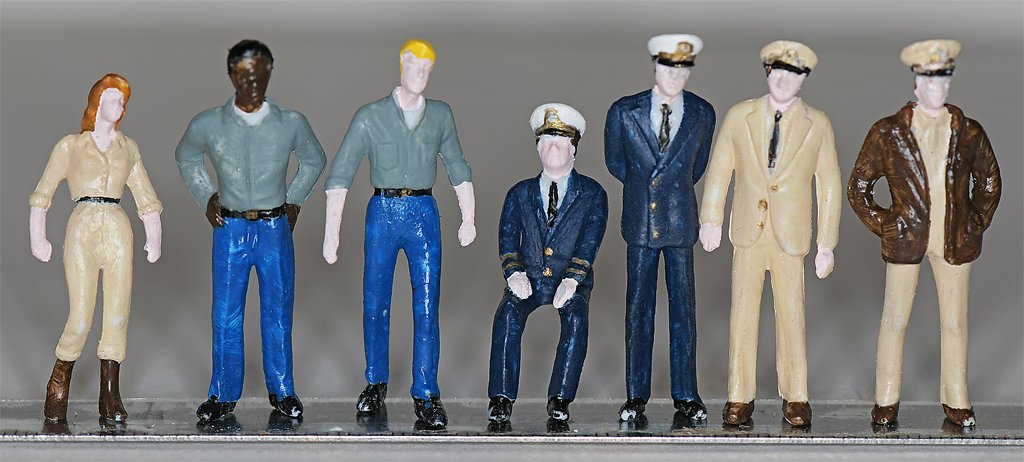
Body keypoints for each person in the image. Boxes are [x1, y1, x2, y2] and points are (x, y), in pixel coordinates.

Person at [323, 38, 476, 430]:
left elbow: (457, 165)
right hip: (383, 212)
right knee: (375, 301)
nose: (419, 75)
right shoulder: (370, 116)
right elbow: (342, 171)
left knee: (426, 304)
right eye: (413, 66)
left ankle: (426, 391)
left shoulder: (440, 115)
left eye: (426, 69)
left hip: (423, 213)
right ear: (401, 65)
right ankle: (375, 381)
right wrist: (331, 232)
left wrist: (468, 217)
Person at [847, 39, 1001, 428]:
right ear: (916, 82)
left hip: (954, 239)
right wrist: (886, 224)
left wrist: (975, 221)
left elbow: (988, 180)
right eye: (930, 81)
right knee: (895, 318)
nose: (937, 88)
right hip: (907, 238)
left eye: (943, 80)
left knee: (955, 323)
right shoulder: (888, 132)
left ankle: (956, 398)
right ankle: (886, 399)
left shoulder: (969, 132)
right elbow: (859, 187)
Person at [175, 39, 326, 422]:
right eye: (244, 74)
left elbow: (314, 160)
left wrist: (294, 200)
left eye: (259, 72)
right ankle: (223, 392)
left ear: (270, 71)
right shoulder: (208, 124)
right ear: (231, 75)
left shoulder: (291, 123)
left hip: (274, 228)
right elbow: (186, 156)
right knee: (226, 313)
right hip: (231, 227)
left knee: (278, 310)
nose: (252, 82)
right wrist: (206, 196)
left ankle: (283, 389)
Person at [699, 41, 842, 427]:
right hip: (748, 232)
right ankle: (738, 395)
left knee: (792, 316)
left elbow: (829, 184)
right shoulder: (739, 116)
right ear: (767, 72)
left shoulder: (818, 124)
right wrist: (711, 218)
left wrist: (826, 243)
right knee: (742, 316)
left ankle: (796, 396)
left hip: (791, 236)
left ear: (803, 79)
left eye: (793, 75)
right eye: (778, 72)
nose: (784, 80)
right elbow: (720, 168)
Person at [31, 73, 163, 423]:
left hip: (117, 228)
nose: (118, 107)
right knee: (80, 315)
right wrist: (38, 236)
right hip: (83, 226)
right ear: (96, 103)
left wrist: (154, 235)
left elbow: (145, 196)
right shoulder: (70, 146)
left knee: (118, 312)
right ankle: (58, 386)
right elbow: (43, 193)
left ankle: (109, 395)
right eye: (112, 99)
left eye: (122, 102)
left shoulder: (128, 148)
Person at [604, 34, 715, 423]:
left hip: (680, 223)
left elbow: (696, 168)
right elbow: (617, 163)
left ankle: (686, 394)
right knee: (638, 311)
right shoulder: (624, 111)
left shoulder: (702, 113)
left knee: (684, 311)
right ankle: (636, 395)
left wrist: (667, 191)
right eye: (668, 68)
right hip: (641, 224)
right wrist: (646, 190)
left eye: (682, 69)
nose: (674, 76)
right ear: (655, 66)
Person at [487, 103, 608, 425]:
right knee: (507, 316)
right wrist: (514, 272)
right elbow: (507, 236)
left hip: (570, 279)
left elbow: (590, 240)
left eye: (560, 143)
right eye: (546, 142)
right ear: (537, 148)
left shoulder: (593, 194)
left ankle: (561, 397)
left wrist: (573, 279)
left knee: (576, 320)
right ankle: (501, 397)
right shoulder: (519, 193)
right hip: (529, 276)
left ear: (574, 149)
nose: (553, 149)